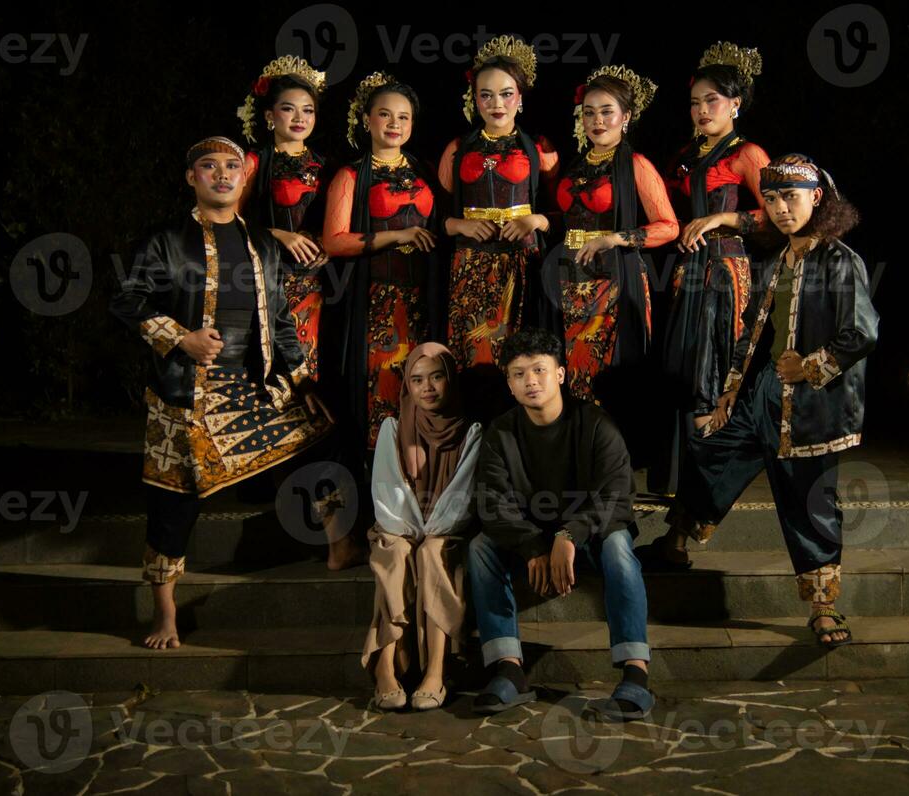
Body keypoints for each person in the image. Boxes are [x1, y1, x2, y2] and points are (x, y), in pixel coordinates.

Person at [110, 135, 333, 649]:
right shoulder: (166, 239)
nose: (222, 175)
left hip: (252, 385)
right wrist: (179, 338)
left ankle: (340, 545)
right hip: (185, 393)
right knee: (172, 497)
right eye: (209, 167)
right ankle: (164, 611)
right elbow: (127, 299)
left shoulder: (261, 242)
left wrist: (301, 380)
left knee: (321, 439)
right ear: (192, 177)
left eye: (232, 166)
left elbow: (278, 318)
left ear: (244, 176)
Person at [670, 154, 876, 647]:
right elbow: (752, 335)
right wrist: (727, 397)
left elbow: (862, 333)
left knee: (810, 502)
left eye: (791, 197)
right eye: (772, 198)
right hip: (762, 394)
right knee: (710, 453)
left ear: (817, 199)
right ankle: (675, 542)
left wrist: (808, 366)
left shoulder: (840, 260)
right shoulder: (776, 259)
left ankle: (824, 607)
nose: (781, 208)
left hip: (812, 406)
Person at [466, 327, 653, 721]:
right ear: (509, 384)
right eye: (518, 374)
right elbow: (492, 503)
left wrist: (570, 534)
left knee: (620, 545)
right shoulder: (501, 433)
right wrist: (533, 545)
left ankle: (636, 673)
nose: (530, 381)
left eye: (539, 370)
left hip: (586, 539)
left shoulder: (596, 424)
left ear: (561, 374)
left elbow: (617, 493)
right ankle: (508, 669)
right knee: (480, 547)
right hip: (531, 543)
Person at [320, 73, 446, 570]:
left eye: (403, 117)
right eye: (385, 115)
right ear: (366, 120)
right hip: (375, 307)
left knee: (419, 406)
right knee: (376, 409)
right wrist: (395, 237)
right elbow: (334, 240)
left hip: (423, 305)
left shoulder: (425, 170)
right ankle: (372, 523)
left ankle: (417, 517)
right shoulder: (350, 176)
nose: (394, 124)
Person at [654, 42, 771, 499]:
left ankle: (710, 481)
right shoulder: (685, 155)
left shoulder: (747, 154)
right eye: (695, 102)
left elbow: (778, 216)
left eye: (712, 101)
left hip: (725, 269)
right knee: (682, 364)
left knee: (711, 361)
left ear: (735, 105)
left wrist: (722, 218)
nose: (701, 110)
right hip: (688, 270)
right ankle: (681, 479)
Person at [542, 65, 678, 404]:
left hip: (613, 280)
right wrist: (540, 221)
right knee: (575, 372)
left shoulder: (636, 164)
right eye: (589, 113)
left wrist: (613, 239)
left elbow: (669, 226)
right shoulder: (576, 165)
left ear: (626, 116)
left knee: (607, 375)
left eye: (606, 112)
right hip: (571, 279)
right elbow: (572, 218)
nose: (597, 120)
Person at [361, 344, 482, 712]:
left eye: (436, 376)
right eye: (417, 379)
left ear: (450, 379)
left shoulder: (470, 432)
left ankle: (435, 670)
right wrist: (411, 531)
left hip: (447, 528)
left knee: (433, 551)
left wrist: (430, 532)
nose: (427, 387)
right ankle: (385, 668)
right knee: (395, 553)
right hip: (399, 525)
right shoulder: (393, 429)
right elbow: (388, 492)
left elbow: (460, 498)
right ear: (407, 387)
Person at [437, 35, 559, 396]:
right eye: (486, 94)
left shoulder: (540, 150)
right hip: (470, 267)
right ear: (474, 99)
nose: (496, 103)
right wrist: (459, 224)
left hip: (523, 266)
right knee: (474, 359)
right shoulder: (457, 150)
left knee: (522, 360)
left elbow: (562, 212)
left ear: (520, 98)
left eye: (506, 93)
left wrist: (536, 220)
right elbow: (435, 215)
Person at [235, 57, 333, 380]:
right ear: (268, 115)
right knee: (270, 366)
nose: (299, 117)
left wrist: (329, 243)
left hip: (315, 284)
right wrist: (278, 234)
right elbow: (228, 220)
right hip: (267, 279)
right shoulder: (255, 161)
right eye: (289, 108)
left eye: (308, 110)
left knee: (312, 363)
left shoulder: (325, 166)